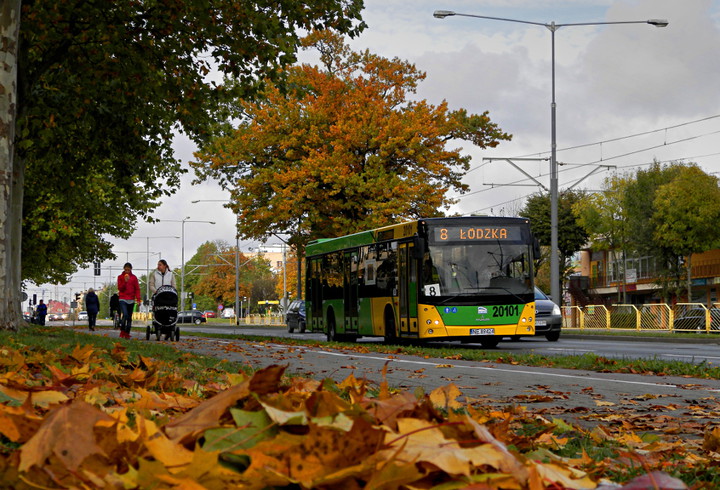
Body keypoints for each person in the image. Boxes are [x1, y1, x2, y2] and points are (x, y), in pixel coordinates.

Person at [117, 263, 142, 338]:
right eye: (126, 270)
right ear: (124, 269)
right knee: (125, 314)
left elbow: (137, 289)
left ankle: (127, 332)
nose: (127, 271)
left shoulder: (134, 278)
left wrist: (138, 299)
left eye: (128, 270)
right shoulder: (120, 277)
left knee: (129, 317)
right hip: (123, 299)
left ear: (131, 269)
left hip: (131, 299)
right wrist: (125, 281)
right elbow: (120, 288)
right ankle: (122, 331)